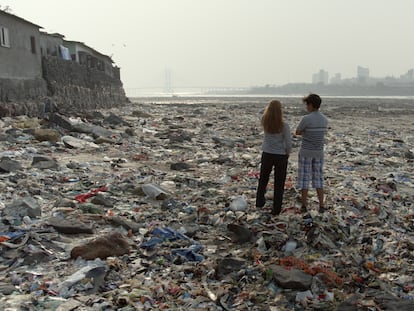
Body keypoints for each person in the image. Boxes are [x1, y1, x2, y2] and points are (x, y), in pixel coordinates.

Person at [256, 100, 292, 215]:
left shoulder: (264, 121)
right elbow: (288, 142)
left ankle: (259, 202)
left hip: (267, 153)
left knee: (263, 179)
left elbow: (259, 112)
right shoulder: (284, 125)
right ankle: (276, 208)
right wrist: (288, 153)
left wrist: (267, 109)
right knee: (279, 182)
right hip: (280, 155)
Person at [295, 93, 328, 213]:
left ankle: (304, 205)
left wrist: (305, 133)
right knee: (318, 179)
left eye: (307, 104)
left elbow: (298, 132)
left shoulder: (306, 119)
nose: (306, 107)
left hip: (306, 152)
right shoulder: (324, 119)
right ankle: (321, 205)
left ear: (311, 105)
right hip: (318, 152)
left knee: (304, 179)